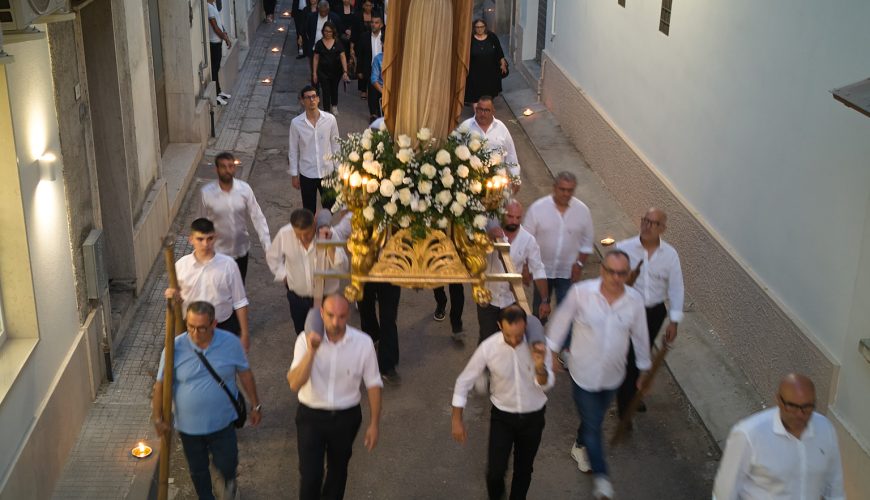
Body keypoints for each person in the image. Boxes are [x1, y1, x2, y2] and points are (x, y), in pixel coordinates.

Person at [545, 250, 651, 500]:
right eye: (611, 271)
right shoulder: (581, 293)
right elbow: (561, 321)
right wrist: (551, 353)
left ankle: (579, 444)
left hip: (613, 376)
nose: (616, 278)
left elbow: (640, 337)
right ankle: (602, 479)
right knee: (594, 425)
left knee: (594, 417)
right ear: (602, 270)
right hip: (583, 374)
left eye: (621, 273)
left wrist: (643, 370)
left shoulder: (634, 301)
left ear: (628, 274)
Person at [152, 301, 262, 500]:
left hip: (222, 423)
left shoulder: (230, 343)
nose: (195, 333)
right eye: (191, 327)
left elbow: (245, 374)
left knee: (228, 463)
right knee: (198, 470)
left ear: (214, 324)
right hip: (189, 428)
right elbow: (160, 385)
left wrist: (255, 405)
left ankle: (228, 481)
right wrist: (158, 418)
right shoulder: (174, 348)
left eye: (201, 328)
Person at [452, 305, 553, 500]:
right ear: (500, 326)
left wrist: (540, 367)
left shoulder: (540, 345)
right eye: (508, 335)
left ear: (525, 326)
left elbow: (547, 385)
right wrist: (456, 419)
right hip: (503, 417)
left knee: (524, 470)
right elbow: (463, 381)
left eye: (519, 336)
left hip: (533, 417)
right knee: (495, 473)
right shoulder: (489, 347)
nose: (514, 341)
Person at [287, 294, 383, 500]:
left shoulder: (363, 343)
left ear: (349, 315)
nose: (335, 322)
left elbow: (374, 384)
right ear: (322, 313)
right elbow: (294, 383)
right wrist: (312, 352)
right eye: (330, 315)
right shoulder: (304, 340)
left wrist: (374, 424)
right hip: (311, 417)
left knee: (338, 473)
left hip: (346, 417)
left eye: (341, 316)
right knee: (310, 476)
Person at [713, 374, 844, 500]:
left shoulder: (826, 429)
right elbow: (725, 492)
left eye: (807, 407)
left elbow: (834, 486)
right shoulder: (748, 434)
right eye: (792, 406)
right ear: (778, 401)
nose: (800, 414)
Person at [615, 207, 684, 418]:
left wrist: (674, 321)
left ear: (663, 228)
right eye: (645, 220)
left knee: (640, 355)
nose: (647, 226)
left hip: (654, 313)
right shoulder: (624, 248)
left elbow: (676, 288)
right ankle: (626, 407)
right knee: (630, 357)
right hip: (629, 311)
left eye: (653, 223)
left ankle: (630, 394)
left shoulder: (670, 255)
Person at [167, 218, 251, 352]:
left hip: (223, 328)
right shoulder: (181, 266)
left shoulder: (229, 265)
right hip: (191, 329)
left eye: (209, 238)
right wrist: (172, 296)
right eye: (200, 239)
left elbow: (240, 301)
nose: (205, 244)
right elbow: (176, 299)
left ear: (215, 238)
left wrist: (245, 334)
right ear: (191, 239)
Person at [478, 200, 550, 344]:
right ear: (502, 214)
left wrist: (544, 300)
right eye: (510, 216)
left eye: (518, 218)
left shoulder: (528, 240)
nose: (514, 221)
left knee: (511, 340)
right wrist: (489, 237)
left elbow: (538, 269)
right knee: (487, 339)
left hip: (510, 300)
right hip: (487, 298)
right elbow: (476, 254)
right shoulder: (490, 231)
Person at [523, 171, 594, 316]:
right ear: (554, 187)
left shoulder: (583, 211)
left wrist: (579, 265)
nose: (566, 194)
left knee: (566, 316)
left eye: (570, 190)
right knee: (539, 312)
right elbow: (526, 240)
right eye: (562, 189)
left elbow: (587, 242)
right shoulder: (537, 209)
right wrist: (526, 267)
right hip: (541, 271)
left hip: (567, 273)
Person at [266, 208, 346, 335]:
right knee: (302, 334)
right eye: (298, 235)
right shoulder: (284, 234)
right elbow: (272, 257)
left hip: (326, 299)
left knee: (329, 336)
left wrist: (330, 246)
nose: (303, 238)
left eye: (307, 233)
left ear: (314, 224)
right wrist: (283, 275)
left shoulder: (329, 234)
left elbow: (342, 268)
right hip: (297, 299)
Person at [198, 151, 271, 283]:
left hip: (241, 251)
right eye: (223, 167)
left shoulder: (245, 189)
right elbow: (200, 224)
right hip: (217, 254)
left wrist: (267, 246)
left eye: (230, 166)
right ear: (217, 169)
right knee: (219, 289)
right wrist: (201, 252)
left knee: (239, 288)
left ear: (235, 168)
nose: (227, 170)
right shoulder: (206, 193)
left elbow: (257, 217)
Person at [289, 85, 340, 213]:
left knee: (330, 209)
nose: (311, 100)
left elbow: (336, 145)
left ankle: (325, 226)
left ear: (318, 99)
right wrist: (294, 174)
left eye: (314, 96)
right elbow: (293, 150)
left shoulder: (330, 120)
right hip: (307, 173)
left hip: (327, 172)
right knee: (308, 211)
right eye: (308, 97)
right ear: (302, 101)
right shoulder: (296, 123)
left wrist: (338, 170)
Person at [459, 95, 521, 186]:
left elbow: (511, 155)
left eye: (486, 110)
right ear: (476, 109)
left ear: (493, 111)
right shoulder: (466, 126)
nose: (482, 114)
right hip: (473, 183)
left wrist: (515, 178)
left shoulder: (501, 128)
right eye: (480, 109)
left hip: (497, 183)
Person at [464, 18, 507, 105]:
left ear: (485, 27)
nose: (480, 29)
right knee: (475, 95)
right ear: (474, 28)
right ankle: (477, 111)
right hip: (475, 71)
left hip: (490, 70)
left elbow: (499, 50)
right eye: (477, 27)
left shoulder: (492, 36)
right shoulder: (469, 39)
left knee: (489, 92)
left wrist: (503, 63)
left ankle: (487, 108)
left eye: (482, 27)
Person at [312, 22, 350, 114]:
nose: (327, 33)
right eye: (326, 31)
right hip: (322, 72)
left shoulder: (338, 43)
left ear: (333, 32)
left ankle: (334, 105)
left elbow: (343, 56)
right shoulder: (319, 44)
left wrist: (345, 71)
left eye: (329, 31)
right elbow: (316, 58)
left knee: (334, 88)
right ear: (323, 31)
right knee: (325, 90)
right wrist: (314, 73)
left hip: (336, 71)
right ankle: (326, 110)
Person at [354, 12, 384, 122]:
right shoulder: (364, 36)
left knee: (381, 92)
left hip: (382, 68)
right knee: (371, 92)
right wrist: (359, 70)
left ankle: (382, 113)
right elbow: (360, 54)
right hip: (369, 68)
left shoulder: (386, 37)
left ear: (381, 24)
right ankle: (373, 114)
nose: (373, 25)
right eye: (372, 22)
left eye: (376, 23)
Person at [207, 0, 232, 105]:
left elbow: (219, 23)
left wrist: (224, 33)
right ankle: (216, 96)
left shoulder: (213, 4)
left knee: (217, 67)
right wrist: (226, 38)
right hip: (214, 42)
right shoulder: (208, 7)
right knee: (214, 69)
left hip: (218, 41)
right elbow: (215, 27)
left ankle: (219, 91)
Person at [350, 0, 375, 98]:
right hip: (360, 44)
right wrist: (352, 48)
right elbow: (354, 33)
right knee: (362, 65)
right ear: (363, 6)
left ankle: (372, 88)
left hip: (373, 43)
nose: (368, 7)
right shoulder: (357, 16)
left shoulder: (376, 15)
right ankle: (363, 89)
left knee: (372, 65)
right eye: (367, 5)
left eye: (370, 5)